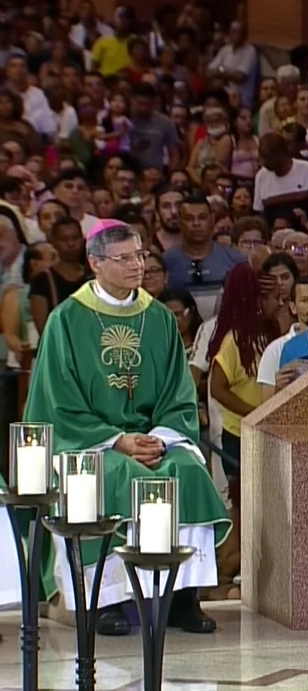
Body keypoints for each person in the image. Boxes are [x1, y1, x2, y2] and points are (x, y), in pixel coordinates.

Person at [23, 219, 231, 637]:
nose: (137, 266)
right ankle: (104, 598)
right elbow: (58, 401)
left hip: (154, 438)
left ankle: (180, 597)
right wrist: (118, 440)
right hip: (93, 442)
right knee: (117, 475)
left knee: (187, 472)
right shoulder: (67, 320)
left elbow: (178, 393)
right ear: (94, 263)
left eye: (140, 255)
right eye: (124, 259)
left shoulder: (158, 318)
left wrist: (160, 437)